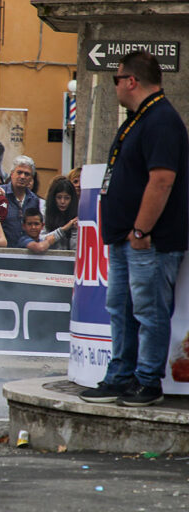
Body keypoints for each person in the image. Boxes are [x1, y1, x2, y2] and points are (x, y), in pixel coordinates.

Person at [79, 50, 188, 407]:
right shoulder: (139, 118)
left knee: (149, 311)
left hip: (150, 241)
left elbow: (162, 181)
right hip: (128, 238)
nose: (114, 87)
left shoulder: (160, 120)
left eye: (116, 79)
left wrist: (141, 231)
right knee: (122, 309)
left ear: (131, 81)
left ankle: (147, 381)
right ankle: (120, 376)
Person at [0, 155, 40, 247]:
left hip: (26, 252)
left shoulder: (34, 199)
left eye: (27, 174)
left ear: (31, 178)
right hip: (2, 251)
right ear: (12, 174)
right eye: (19, 172)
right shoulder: (0, 193)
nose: (22, 176)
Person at [44, 177, 78, 250]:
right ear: (53, 198)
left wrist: (75, 231)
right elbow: (42, 240)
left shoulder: (77, 215)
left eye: (67, 198)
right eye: (59, 197)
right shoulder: (45, 213)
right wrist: (64, 229)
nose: (62, 201)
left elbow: (75, 249)